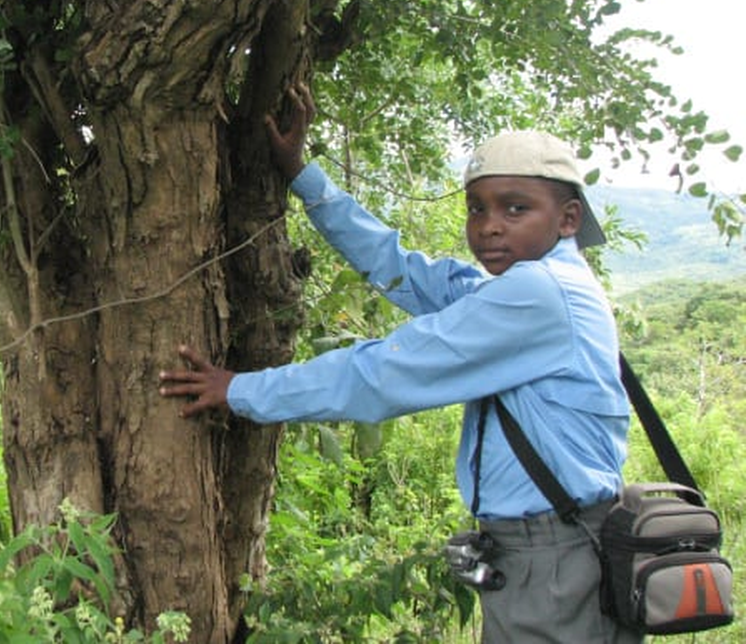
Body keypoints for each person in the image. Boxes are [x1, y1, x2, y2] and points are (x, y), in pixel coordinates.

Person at [159, 83, 641, 643]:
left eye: (516, 208)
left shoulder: (538, 295)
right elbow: (405, 271)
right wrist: (302, 176)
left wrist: (241, 390)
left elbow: (384, 372)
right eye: (477, 208)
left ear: (567, 219)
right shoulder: (525, 287)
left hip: (557, 560)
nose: (488, 225)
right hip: (544, 553)